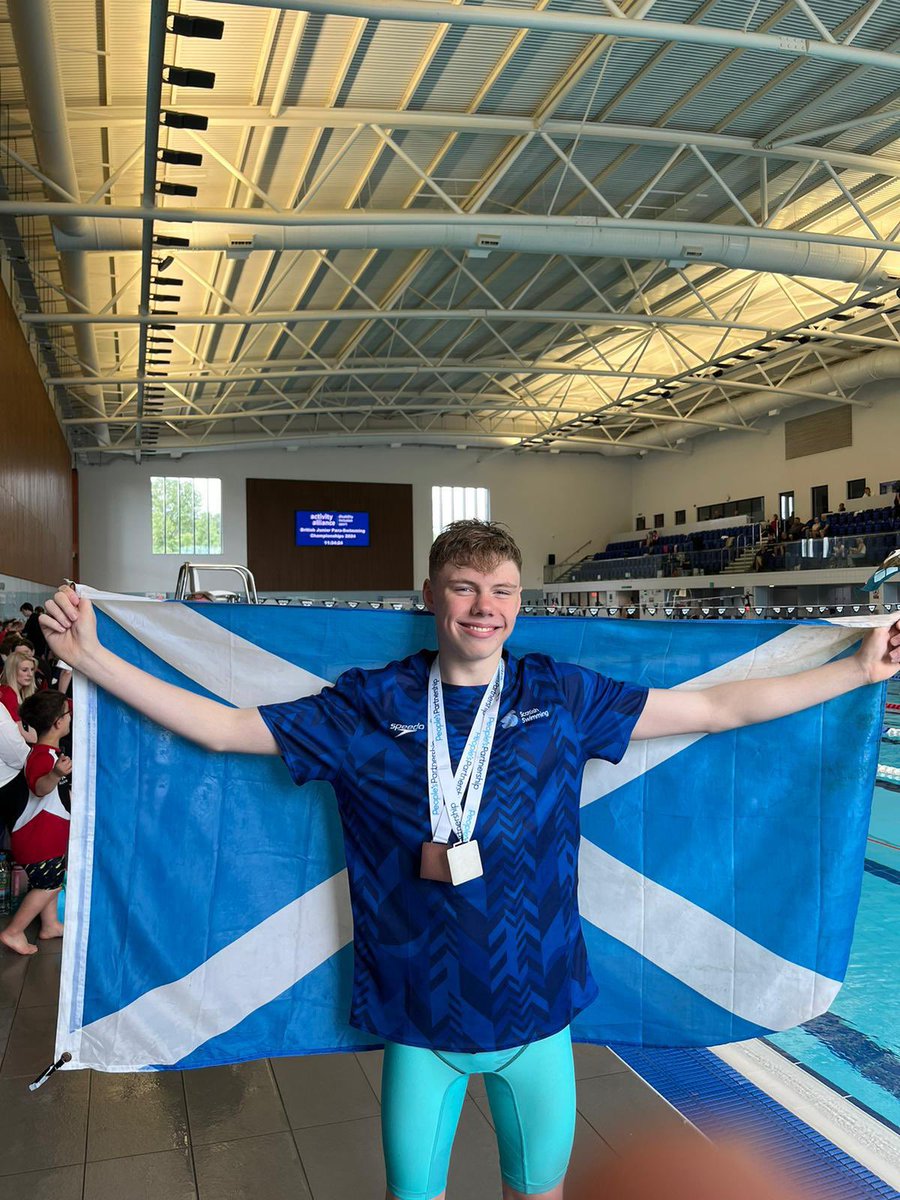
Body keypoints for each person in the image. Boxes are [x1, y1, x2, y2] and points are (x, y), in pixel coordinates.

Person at [40, 521, 900, 1200]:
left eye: (501, 591)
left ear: (518, 604)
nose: (483, 607)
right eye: (465, 588)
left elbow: (714, 708)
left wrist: (857, 672)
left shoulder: (558, 697)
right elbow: (227, 731)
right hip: (422, 1019)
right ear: (433, 595)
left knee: (540, 1192)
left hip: (541, 1016)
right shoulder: (371, 706)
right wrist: (91, 659)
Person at [0, 691, 71, 955]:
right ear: (57, 722)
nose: (70, 717)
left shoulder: (48, 752)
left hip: (47, 837)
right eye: (67, 713)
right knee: (48, 884)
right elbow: (39, 787)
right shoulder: (43, 757)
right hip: (38, 840)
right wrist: (55, 774)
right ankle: (13, 931)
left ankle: (50, 924)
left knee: (52, 879)